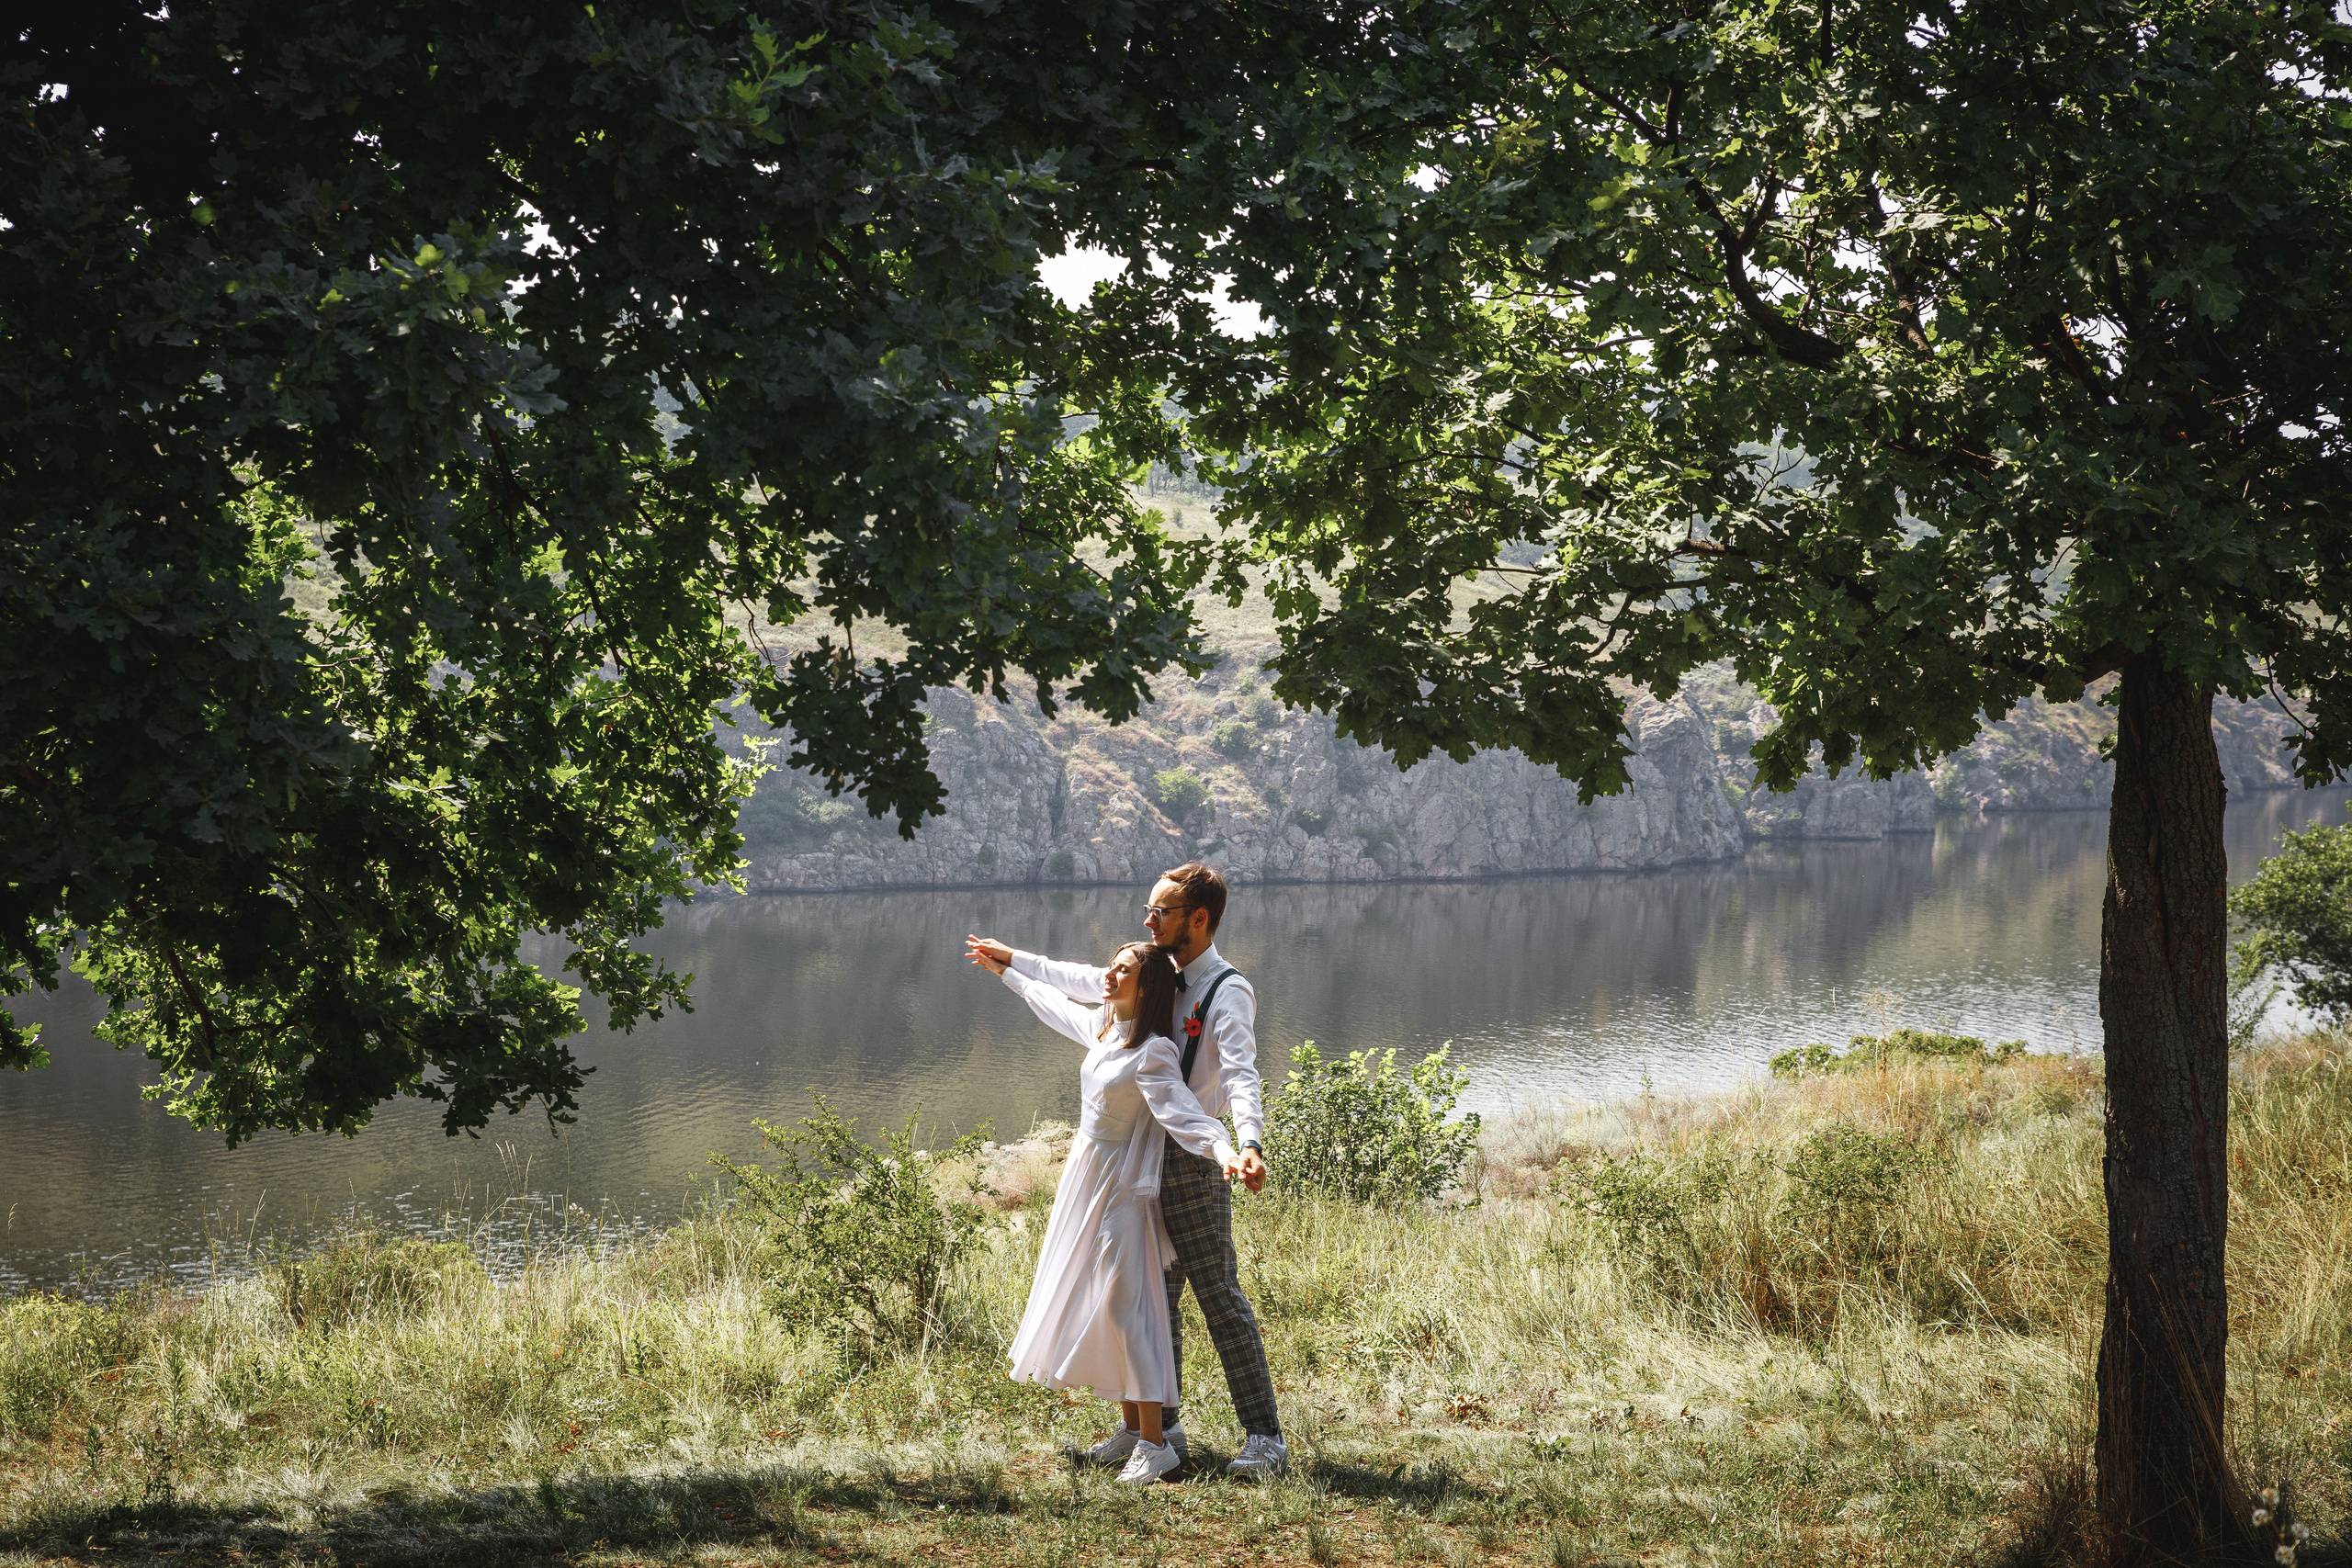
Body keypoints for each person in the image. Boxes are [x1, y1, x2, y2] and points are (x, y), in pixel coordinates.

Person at [966, 862, 1287, 1478]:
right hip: (1133, 1164)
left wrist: (1247, 1142)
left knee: (1219, 1296)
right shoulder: (1153, 973)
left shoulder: (1226, 989)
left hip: (1195, 1163)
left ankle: (1265, 1436)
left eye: (1160, 911)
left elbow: (1242, 1074)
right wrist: (1013, 961)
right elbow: (1081, 984)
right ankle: (1155, 1428)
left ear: (1198, 917)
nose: (1147, 920)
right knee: (1145, 1302)